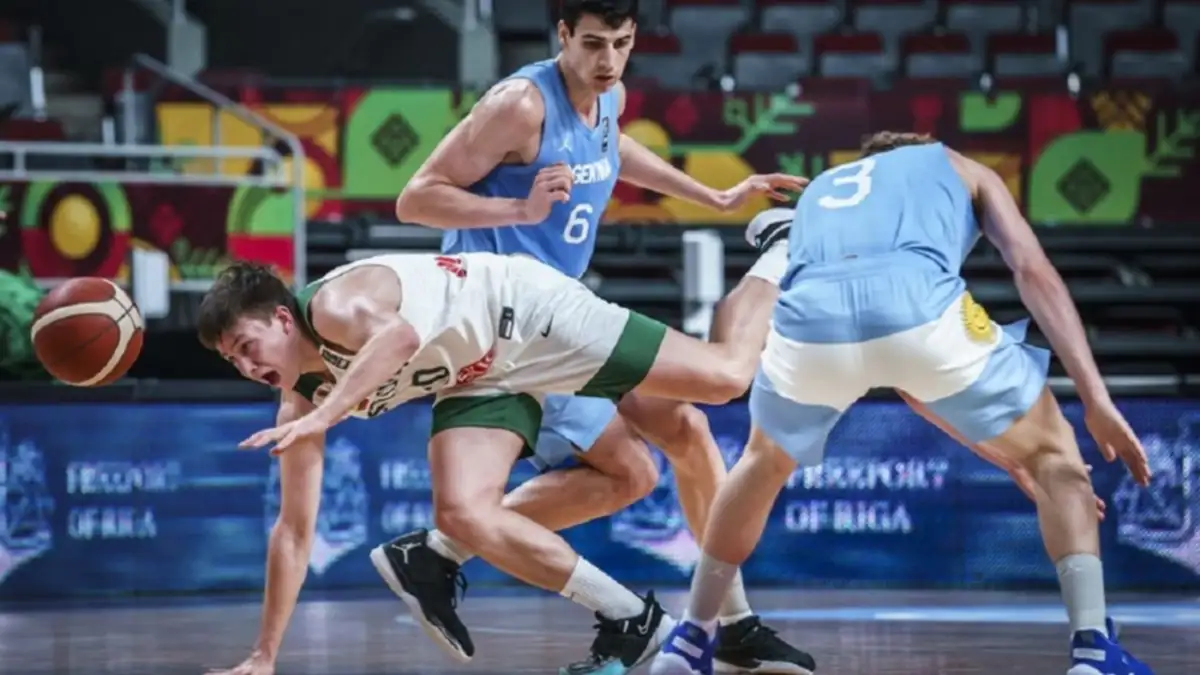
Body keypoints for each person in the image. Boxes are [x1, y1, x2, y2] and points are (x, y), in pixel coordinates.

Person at [385, 0, 813, 673]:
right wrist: (520, 207)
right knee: (706, 396)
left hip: (562, 314)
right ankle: (780, 253)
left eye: (620, 43)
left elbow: (613, 151)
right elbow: (416, 197)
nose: (608, 59)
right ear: (562, 35)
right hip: (508, 324)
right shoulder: (520, 104)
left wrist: (713, 197)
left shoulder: (609, 94)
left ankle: (731, 625)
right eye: (591, 44)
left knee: (661, 450)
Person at [650, 133, 1156, 675]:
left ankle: (691, 639)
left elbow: (914, 389)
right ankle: (1092, 648)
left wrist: (1008, 458)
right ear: (922, 146)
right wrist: (1094, 399)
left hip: (809, 323)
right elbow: (1032, 271)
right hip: (918, 304)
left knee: (760, 461)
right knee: (1056, 455)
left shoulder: (822, 189)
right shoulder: (955, 163)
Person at [195, 248, 770, 675]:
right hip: (477, 374)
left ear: (282, 320)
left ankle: (774, 255)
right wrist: (264, 654)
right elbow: (294, 531)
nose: (246, 367)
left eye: (247, 347)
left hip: (526, 314)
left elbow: (397, 339)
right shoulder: (298, 403)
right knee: (462, 512)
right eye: (231, 361)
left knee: (724, 378)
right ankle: (633, 618)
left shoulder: (333, 307)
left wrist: (324, 417)